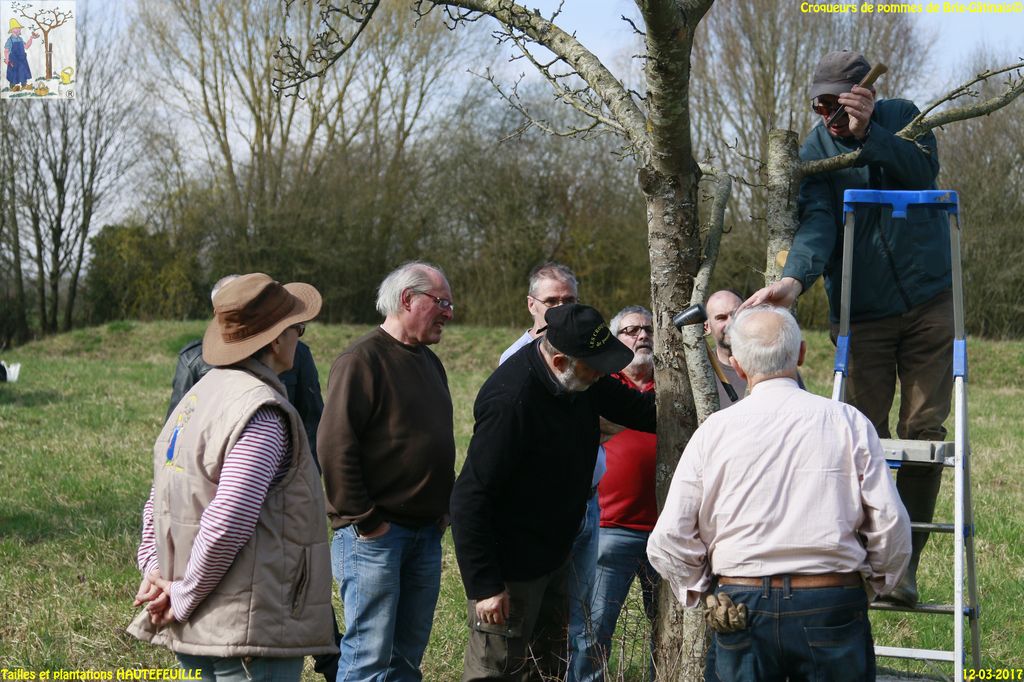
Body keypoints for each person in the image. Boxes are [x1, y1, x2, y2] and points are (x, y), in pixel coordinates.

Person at [745, 50, 952, 606]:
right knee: (864, 437)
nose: (827, 116)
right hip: (861, 311)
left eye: (836, 104)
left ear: (866, 95)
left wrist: (869, 136)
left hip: (930, 298)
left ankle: (903, 570)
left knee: (923, 431)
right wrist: (794, 279)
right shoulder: (816, 150)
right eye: (819, 105)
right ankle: (866, 562)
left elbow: (922, 172)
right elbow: (818, 224)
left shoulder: (904, 116)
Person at [647, 305, 911, 681]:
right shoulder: (847, 422)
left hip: (741, 600)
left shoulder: (714, 432)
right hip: (829, 598)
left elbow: (669, 537)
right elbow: (890, 522)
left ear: (737, 366)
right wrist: (875, 583)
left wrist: (702, 588)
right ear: (801, 353)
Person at [128, 273, 336, 679]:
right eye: (297, 329)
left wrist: (156, 571)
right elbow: (228, 520)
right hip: (247, 634)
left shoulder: (196, 398)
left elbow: (160, 495)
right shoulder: (261, 413)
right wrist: (181, 594)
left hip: (199, 626)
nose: (300, 338)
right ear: (275, 341)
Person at [451, 303, 656, 682]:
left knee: (548, 667)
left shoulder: (582, 375)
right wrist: (486, 586)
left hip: (557, 554)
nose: (602, 375)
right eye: (595, 367)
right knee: (498, 668)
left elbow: (642, 411)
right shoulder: (511, 402)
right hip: (511, 566)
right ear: (560, 361)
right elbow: (470, 498)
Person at [318, 261, 456, 681]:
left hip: (424, 535)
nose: (449, 313)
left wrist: (442, 511)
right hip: (376, 537)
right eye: (441, 302)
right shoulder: (361, 360)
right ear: (407, 299)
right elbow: (335, 447)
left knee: (406, 660)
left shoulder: (431, 363)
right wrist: (366, 521)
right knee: (367, 658)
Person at [498, 262, 602, 681]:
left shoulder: (586, 349)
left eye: (569, 300)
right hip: (541, 515)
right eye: (552, 301)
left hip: (588, 504)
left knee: (578, 616)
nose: (561, 309)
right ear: (531, 305)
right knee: (536, 623)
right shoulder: (518, 363)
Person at [572, 306, 659, 682]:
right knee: (593, 632)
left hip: (668, 531)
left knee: (669, 631)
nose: (642, 336)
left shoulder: (675, 387)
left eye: (649, 330)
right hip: (611, 528)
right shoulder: (602, 385)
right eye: (631, 330)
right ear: (614, 339)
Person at [167, 275, 324, 467]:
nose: (298, 337)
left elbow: (312, 420)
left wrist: (307, 473)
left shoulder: (297, 356)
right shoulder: (265, 418)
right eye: (298, 328)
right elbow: (177, 433)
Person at [704, 289, 748, 405]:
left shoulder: (770, 365)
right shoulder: (701, 372)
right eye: (721, 318)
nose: (731, 323)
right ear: (707, 327)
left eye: (736, 314)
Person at [4, 19, 37, 92]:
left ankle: (24, 85)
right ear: (12, 30)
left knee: (23, 71)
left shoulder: (20, 39)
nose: (19, 29)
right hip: (14, 60)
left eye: (19, 28)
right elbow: (6, 51)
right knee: (13, 74)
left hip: (22, 59)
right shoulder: (10, 40)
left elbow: (26, 46)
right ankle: (12, 87)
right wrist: (7, 60)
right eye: (17, 28)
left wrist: (31, 38)